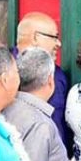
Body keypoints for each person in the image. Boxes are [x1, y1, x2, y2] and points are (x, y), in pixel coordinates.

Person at [15, 12, 71, 148]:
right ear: (35, 37)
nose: (59, 43)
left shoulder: (57, 74)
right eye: (54, 37)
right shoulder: (3, 70)